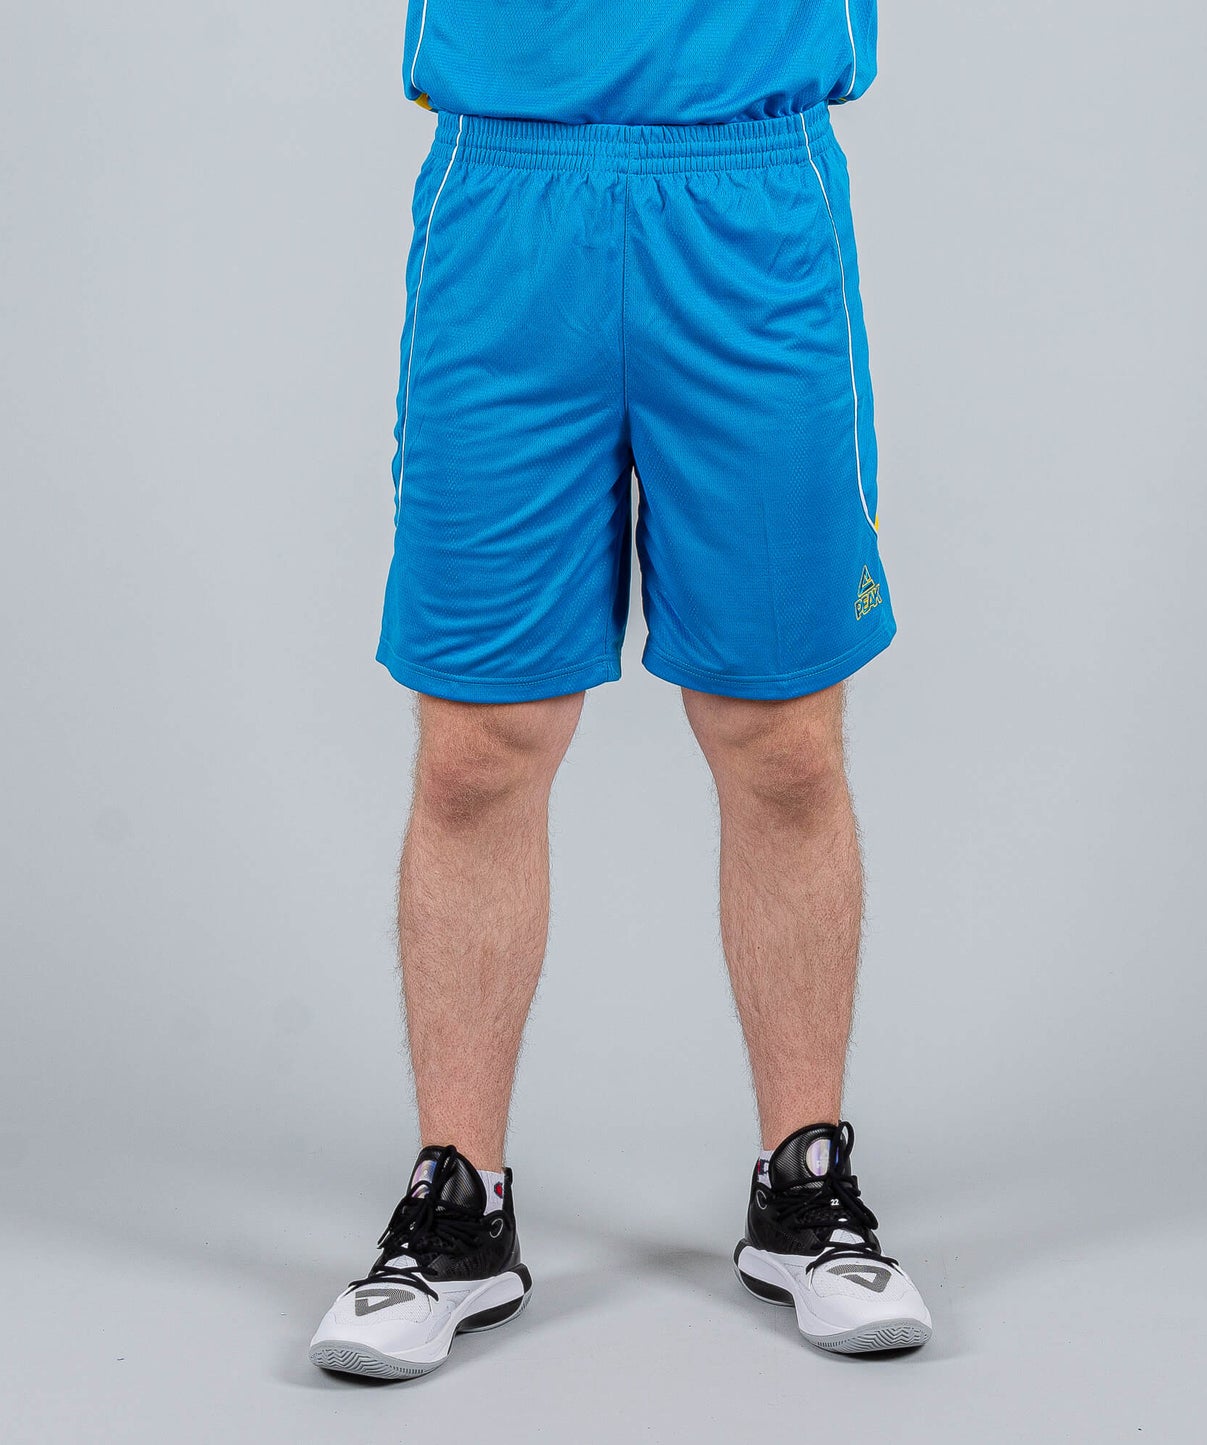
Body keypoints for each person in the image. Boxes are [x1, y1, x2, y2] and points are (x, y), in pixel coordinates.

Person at [309, 1, 932, 1378]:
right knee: (478, 743)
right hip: (507, 193)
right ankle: (458, 1207)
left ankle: (804, 1189)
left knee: (780, 737)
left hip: (746, 193)